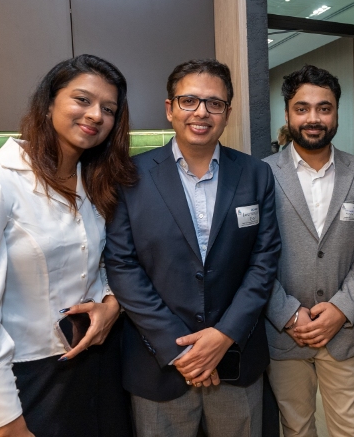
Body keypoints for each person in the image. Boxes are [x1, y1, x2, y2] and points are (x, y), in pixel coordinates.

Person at [0, 55, 136, 437]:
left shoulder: (96, 184)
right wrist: (7, 423)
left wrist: (111, 304)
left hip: (99, 366)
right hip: (25, 380)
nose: (95, 115)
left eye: (108, 109)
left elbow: (105, 263)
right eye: (82, 99)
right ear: (48, 104)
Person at [104, 58, 281, 437]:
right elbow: (122, 265)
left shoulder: (255, 174)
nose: (201, 112)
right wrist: (179, 348)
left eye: (214, 103)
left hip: (235, 357)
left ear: (227, 113)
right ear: (170, 108)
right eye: (189, 101)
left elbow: (264, 260)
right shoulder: (129, 176)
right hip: (160, 363)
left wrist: (225, 334)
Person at [263, 65, 354, 437]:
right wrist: (287, 314)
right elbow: (252, 258)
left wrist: (342, 308)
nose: (313, 118)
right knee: (296, 428)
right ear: (287, 114)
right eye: (302, 108)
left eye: (324, 108)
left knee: (351, 429)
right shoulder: (261, 174)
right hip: (283, 332)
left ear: (336, 112)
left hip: (343, 331)